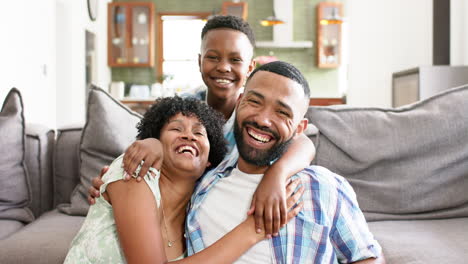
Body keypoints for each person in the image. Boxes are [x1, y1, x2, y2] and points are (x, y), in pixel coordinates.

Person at [88, 15, 317, 237]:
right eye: (213, 57)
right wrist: (114, 180)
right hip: (180, 213)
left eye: (235, 60)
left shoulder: (254, 118)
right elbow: (140, 157)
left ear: (250, 67)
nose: (223, 67)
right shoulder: (182, 109)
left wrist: (276, 175)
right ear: (199, 62)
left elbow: (304, 143)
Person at [185, 61, 386, 263]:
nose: (263, 120)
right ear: (239, 103)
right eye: (255, 102)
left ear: (300, 128)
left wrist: (277, 173)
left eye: (282, 112)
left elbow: (368, 258)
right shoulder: (202, 185)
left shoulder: (323, 188)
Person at [64, 96, 305, 263]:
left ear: (211, 160)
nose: (188, 135)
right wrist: (254, 229)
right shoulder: (135, 169)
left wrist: (278, 173)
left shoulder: (196, 221)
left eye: (199, 132)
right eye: (175, 129)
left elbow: (302, 140)